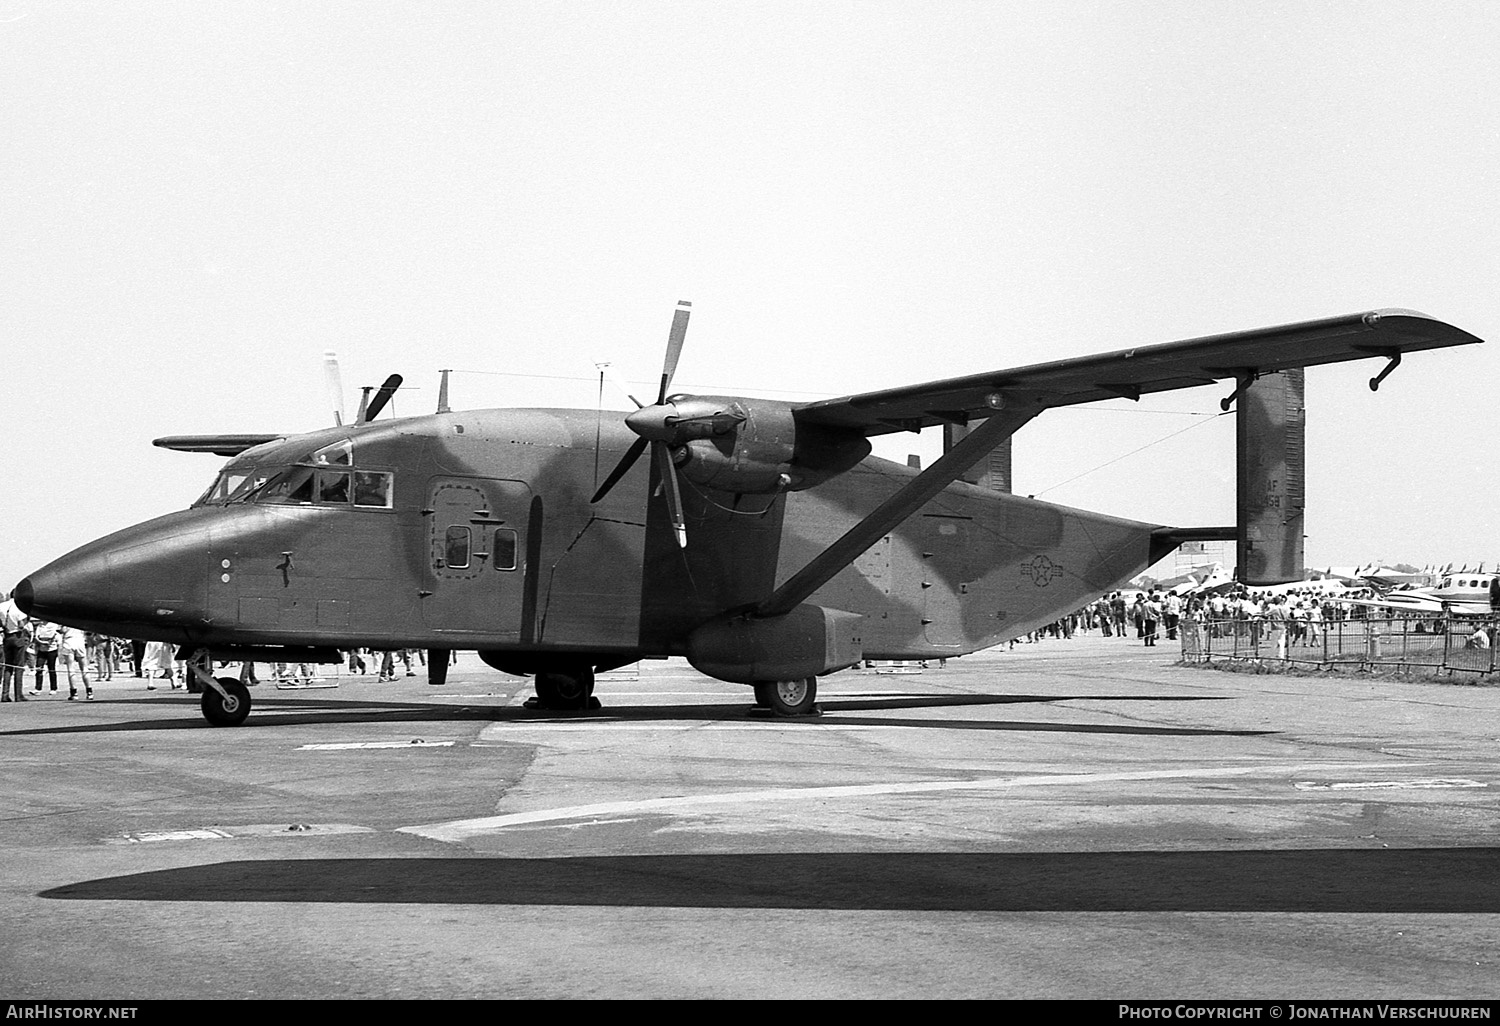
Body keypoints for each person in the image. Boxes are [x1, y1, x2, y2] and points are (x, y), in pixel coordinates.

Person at [0, 592, 30, 702]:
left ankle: (5, 694)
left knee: (8, 666)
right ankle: (18, 694)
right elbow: (21, 624)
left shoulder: (2, 606)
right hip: (17, 636)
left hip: (7, 636)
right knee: (19, 666)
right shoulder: (19, 607)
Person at [59, 625, 91, 700]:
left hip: (69, 641)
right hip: (80, 640)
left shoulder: (65, 619)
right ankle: (89, 691)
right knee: (84, 667)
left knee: (71, 668)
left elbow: (63, 630)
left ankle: (74, 692)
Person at [31, 620, 61, 695]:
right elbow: (36, 637)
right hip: (42, 649)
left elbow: (57, 636)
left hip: (52, 649)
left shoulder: (54, 625)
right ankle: (38, 688)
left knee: (51, 669)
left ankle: (53, 688)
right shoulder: (40, 625)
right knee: (39, 668)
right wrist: (42, 642)